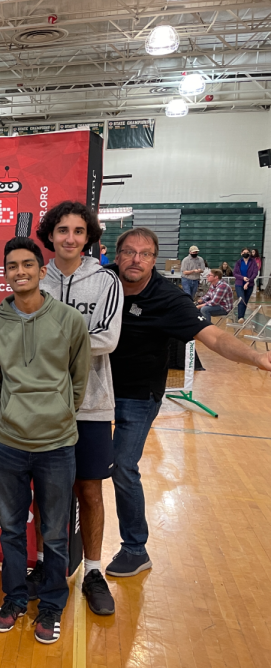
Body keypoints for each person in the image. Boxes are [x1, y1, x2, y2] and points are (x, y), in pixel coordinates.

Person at [105, 228, 271, 578]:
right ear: (116, 255)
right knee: (75, 466)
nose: (137, 259)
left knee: (123, 466)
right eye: (129, 252)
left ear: (155, 259)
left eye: (146, 254)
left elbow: (214, 336)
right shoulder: (101, 284)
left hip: (138, 395)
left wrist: (257, 359)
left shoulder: (167, 298)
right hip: (92, 392)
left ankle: (135, 548)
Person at [0, 237, 90, 645]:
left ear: (43, 271)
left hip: (57, 444)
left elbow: (78, 379)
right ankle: (14, 599)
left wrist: (61, 412)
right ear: (5, 273)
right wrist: (8, 415)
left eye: (28, 264)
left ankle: (50, 606)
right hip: (9, 442)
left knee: (56, 533)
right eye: (13, 266)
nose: (20, 271)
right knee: (10, 529)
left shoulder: (69, 320)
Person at [35, 201, 122, 616]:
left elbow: (107, 340)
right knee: (47, 493)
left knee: (89, 491)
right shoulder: (36, 278)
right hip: (42, 407)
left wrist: (53, 338)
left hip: (91, 406)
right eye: (62, 230)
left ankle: (92, 570)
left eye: (78, 231)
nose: (70, 238)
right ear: (50, 235)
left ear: (88, 237)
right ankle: (43, 565)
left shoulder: (106, 280)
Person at [234, 247, 259, 322]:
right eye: (244, 252)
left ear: (249, 253)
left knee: (245, 301)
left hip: (250, 284)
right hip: (239, 284)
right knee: (241, 299)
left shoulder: (253, 261)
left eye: (247, 252)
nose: (246, 254)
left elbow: (255, 272)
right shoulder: (238, 262)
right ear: (241, 253)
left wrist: (248, 281)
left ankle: (242, 316)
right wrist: (243, 278)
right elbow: (235, 273)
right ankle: (240, 317)